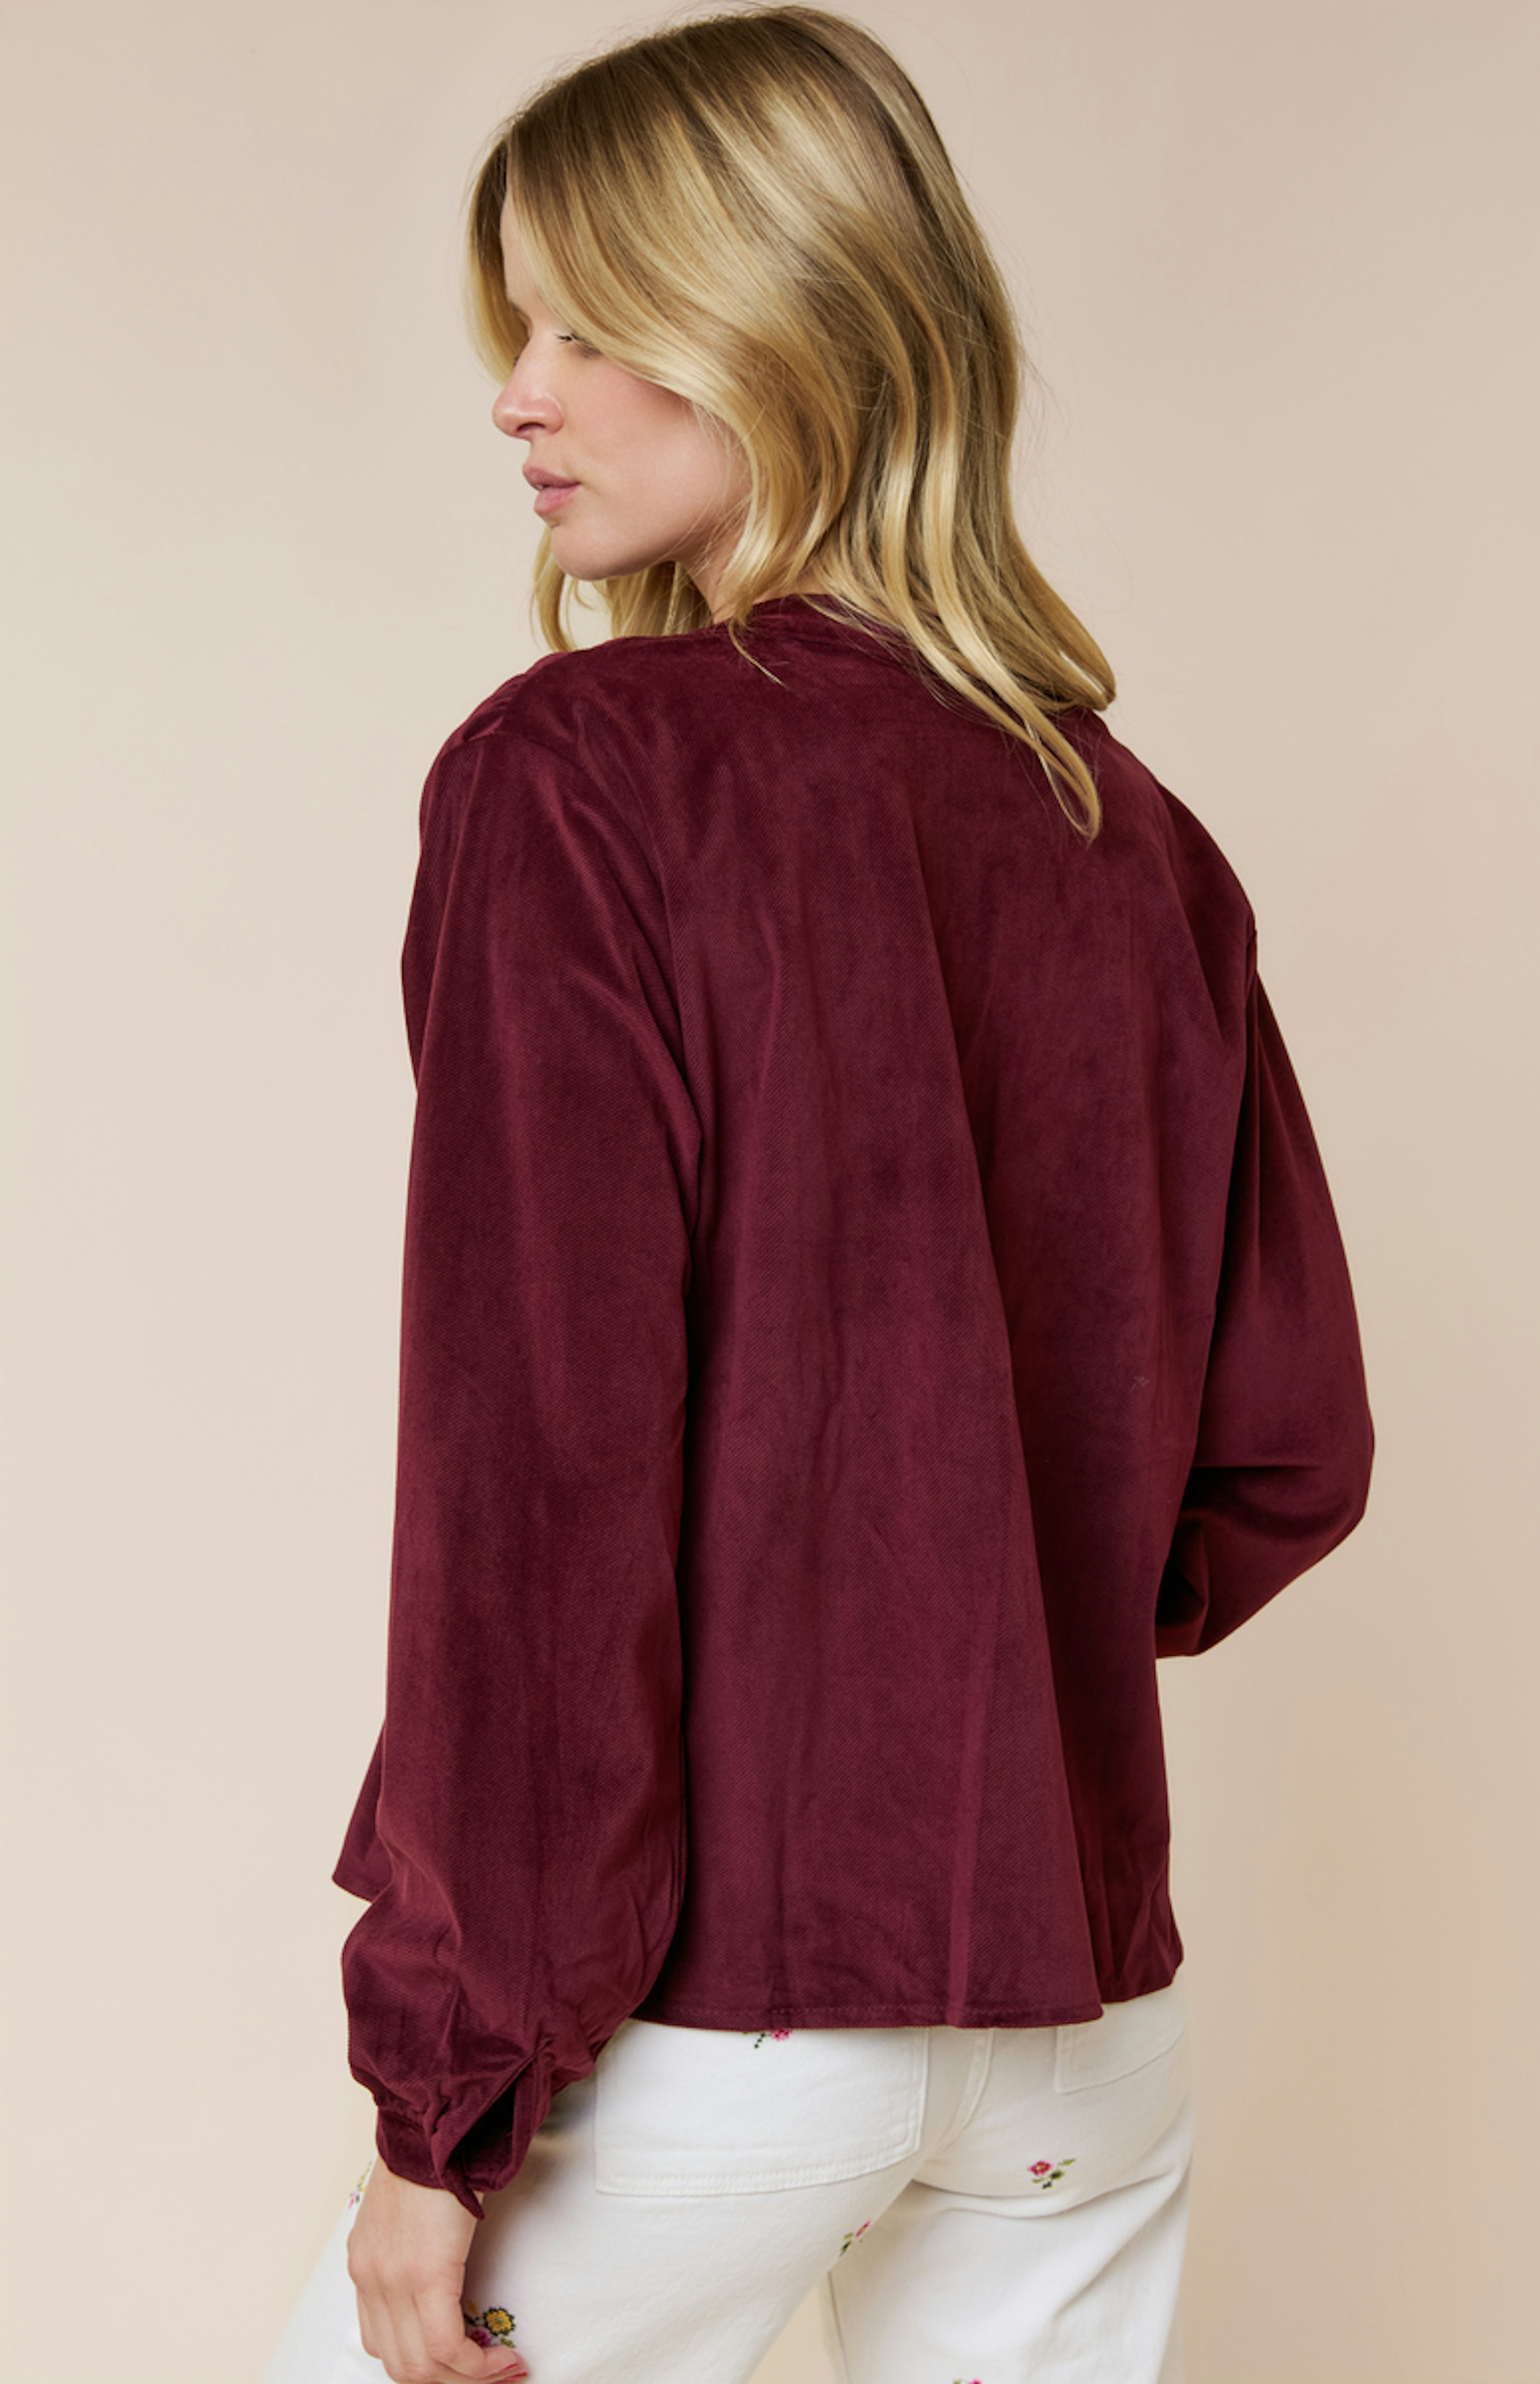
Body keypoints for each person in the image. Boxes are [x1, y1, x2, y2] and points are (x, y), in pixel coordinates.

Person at [261, 8, 1374, 2382]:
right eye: (513, 330)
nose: (519, 395)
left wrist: (443, 2098)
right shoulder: (1138, 838)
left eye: (589, 323)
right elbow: (1286, 1454)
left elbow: (538, 1501)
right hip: (1081, 2038)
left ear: (789, 321)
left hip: (714, 2027)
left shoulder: (580, 783)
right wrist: (968, 1607)